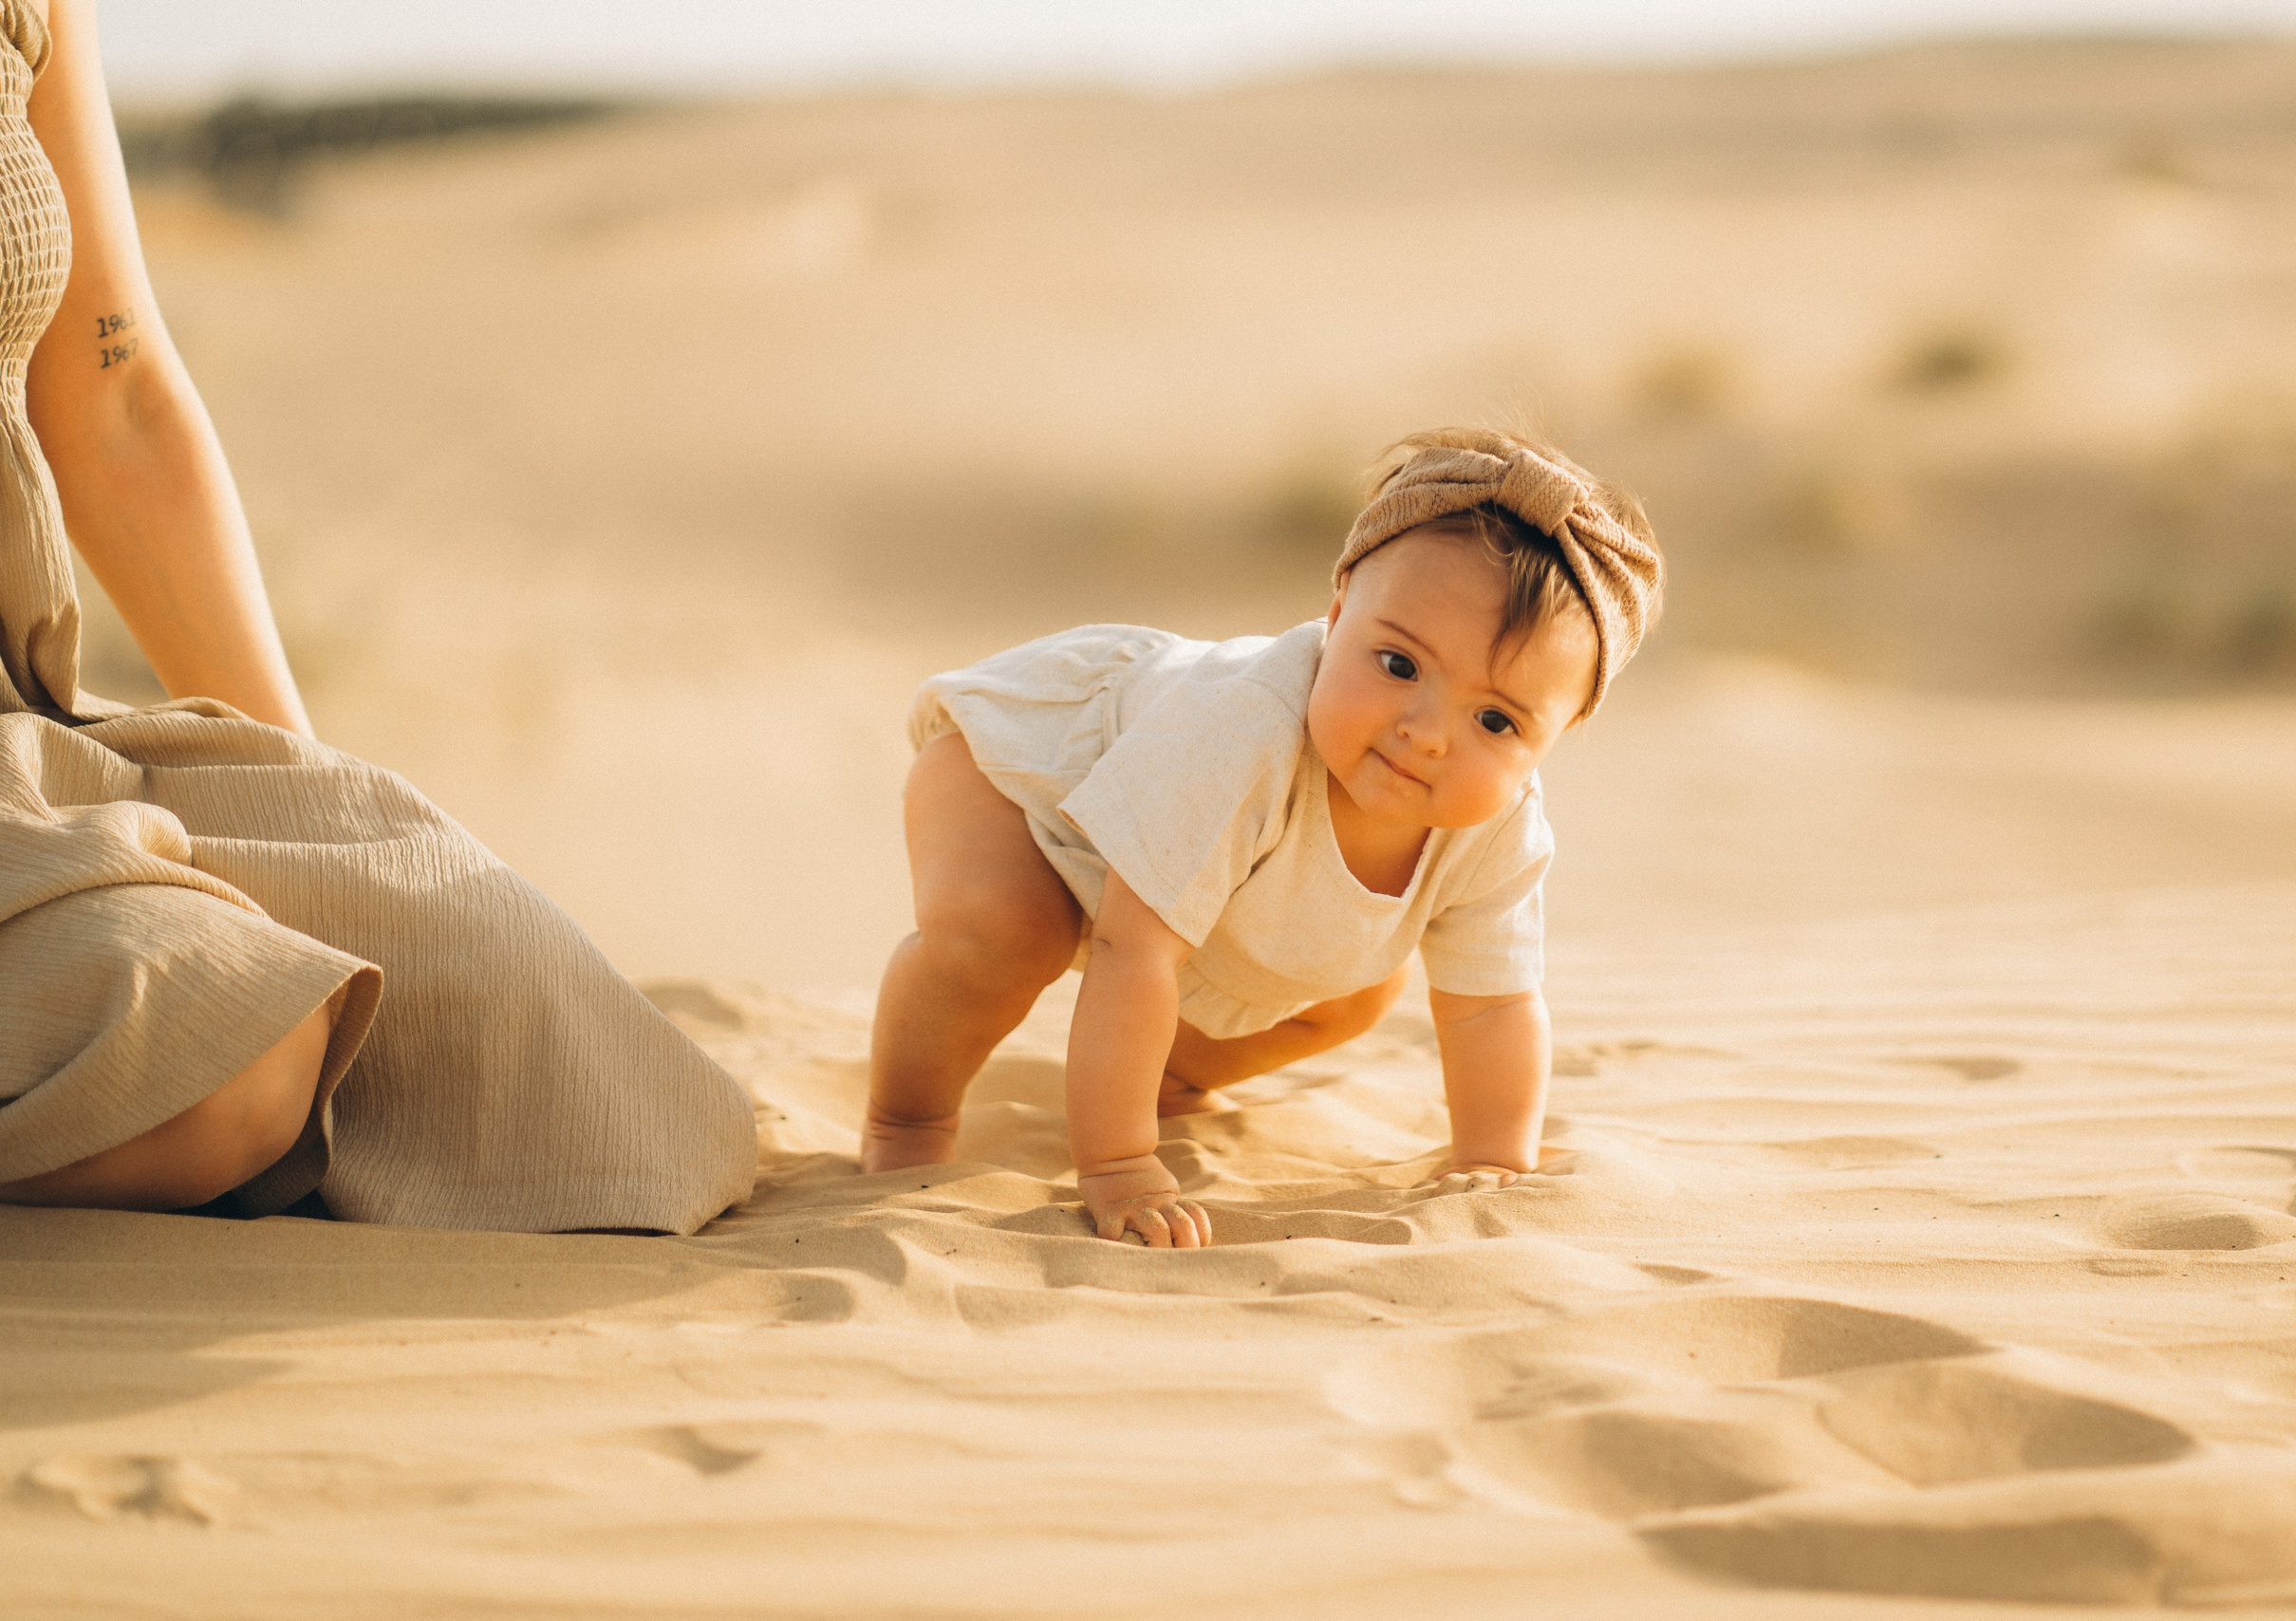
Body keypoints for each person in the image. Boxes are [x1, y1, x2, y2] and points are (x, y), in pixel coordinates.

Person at [0, 0, 756, 1231]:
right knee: (232, 1073)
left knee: (540, 1040)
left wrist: (321, 800)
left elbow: (117, 393)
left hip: (25, 749)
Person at [863, 426, 1663, 1247]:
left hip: (1199, 883)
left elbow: (1492, 1006)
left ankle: (1170, 1078)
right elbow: (1132, 951)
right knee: (1011, 932)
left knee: (1356, 992)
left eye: (1495, 720)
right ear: (1338, 612)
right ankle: (908, 1119)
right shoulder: (1243, 732)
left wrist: (1492, 1157)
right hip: (1030, 771)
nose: (1426, 734)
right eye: (1397, 666)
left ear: (1559, 734)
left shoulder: (1501, 826)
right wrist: (1119, 1166)